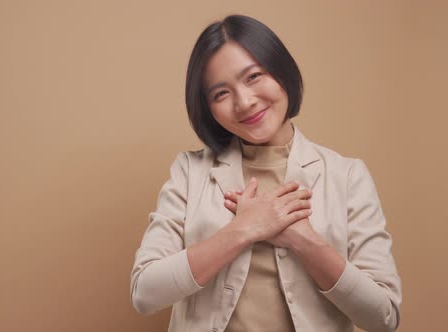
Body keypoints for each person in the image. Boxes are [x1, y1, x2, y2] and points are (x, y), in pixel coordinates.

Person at [130, 14, 401, 332]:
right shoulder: (190, 171)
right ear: (208, 108)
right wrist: (244, 229)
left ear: (281, 71)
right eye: (221, 93)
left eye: (254, 76)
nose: (244, 102)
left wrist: (304, 240)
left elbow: (384, 317)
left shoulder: (348, 175)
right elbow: (145, 293)